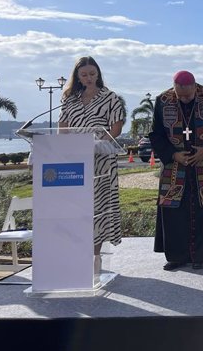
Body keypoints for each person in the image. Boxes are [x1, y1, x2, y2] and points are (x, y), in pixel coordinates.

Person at [150, 70, 203, 270]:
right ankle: (177, 256)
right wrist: (173, 154)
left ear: (195, 87)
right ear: (174, 89)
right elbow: (156, 133)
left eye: (188, 95)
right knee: (174, 211)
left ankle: (200, 255)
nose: (185, 99)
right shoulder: (163, 100)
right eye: (181, 96)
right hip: (175, 166)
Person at [58, 56, 125, 261]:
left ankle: (94, 256)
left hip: (101, 160)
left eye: (92, 74)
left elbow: (116, 127)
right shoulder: (69, 100)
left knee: (98, 206)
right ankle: (75, 254)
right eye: (84, 75)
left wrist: (98, 143)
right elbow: (63, 128)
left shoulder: (110, 97)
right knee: (77, 206)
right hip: (75, 161)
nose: (89, 78)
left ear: (98, 74)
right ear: (77, 76)